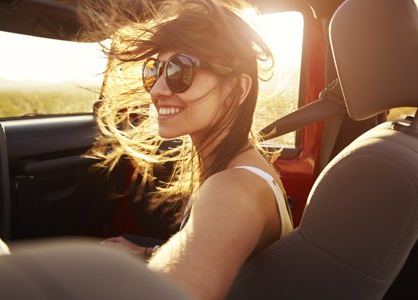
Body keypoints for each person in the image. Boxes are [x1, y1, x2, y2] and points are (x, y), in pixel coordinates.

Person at [81, 0, 293, 298]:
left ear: (238, 89)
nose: (156, 90)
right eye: (154, 71)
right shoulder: (237, 169)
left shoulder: (233, 190)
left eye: (180, 71)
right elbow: (209, 244)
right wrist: (146, 252)